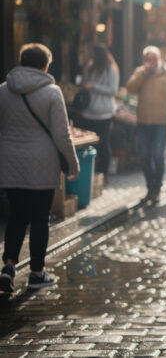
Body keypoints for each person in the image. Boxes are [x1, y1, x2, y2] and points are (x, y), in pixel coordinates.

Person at [0, 44, 79, 293]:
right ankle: (36, 272)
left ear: (21, 62)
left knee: (16, 216)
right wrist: (72, 163)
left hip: (11, 163)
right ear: (45, 65)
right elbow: (61, 134)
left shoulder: (3, 90)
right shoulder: (52, 92)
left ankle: (9, 266)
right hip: (42, 165)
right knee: (39, 219)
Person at [125, 46, 166, 206]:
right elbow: (130, 88)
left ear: (159, 59)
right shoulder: (140, 72)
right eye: (147, 59)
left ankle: (157, 188)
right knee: (144, 156)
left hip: (162, 123)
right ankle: (150, 187)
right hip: (144, 122)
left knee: (158, 155)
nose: (150, 62)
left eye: (153, 59)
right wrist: (143, 74)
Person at [75, 44, 119, 177]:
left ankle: (103, 172)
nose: (91, 55)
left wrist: (94, 86)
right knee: (89, 142)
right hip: (88, 111)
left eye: (93, 53)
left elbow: (113, 90)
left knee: (103, 143)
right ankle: (91, 171)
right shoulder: (89, 67)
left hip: (104, 113)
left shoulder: (110, 70)